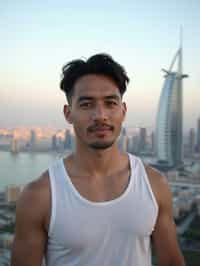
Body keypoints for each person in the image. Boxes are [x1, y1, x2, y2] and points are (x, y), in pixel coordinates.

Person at [11, 54, 185, 266]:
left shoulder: (154, 184)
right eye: (86, 105)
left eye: (110, 103)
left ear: (123, 110)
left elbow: (171, 262)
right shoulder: (39, 196)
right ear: (68, 113)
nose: (100, 115)